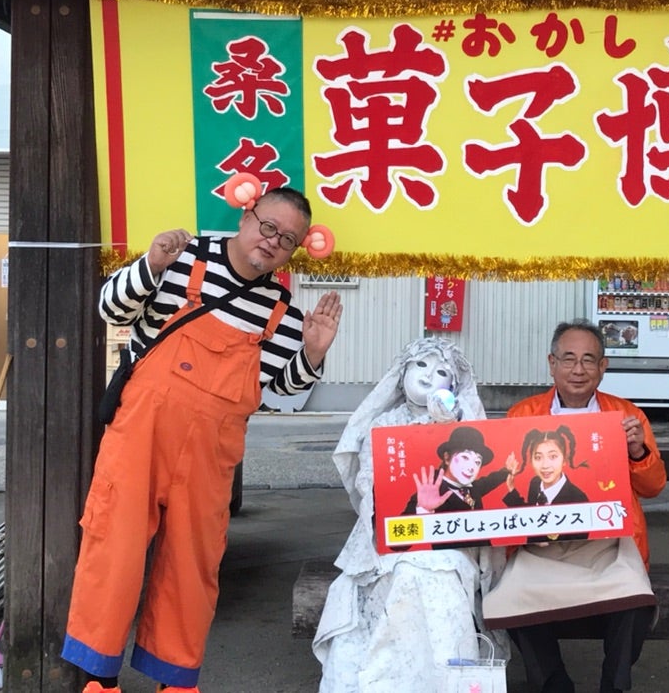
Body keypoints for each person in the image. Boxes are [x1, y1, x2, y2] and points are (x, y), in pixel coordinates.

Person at [61, 187, 344, 693]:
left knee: (192, 565)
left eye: (288, 239)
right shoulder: (181, 258)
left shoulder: (282, 312)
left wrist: (313, 354)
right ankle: (98, 678)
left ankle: (175, 679)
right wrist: (151, 263)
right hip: (140, 435)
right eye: (269, 226)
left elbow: (281, 391)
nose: (273, 241)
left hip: (211, 456)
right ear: (246, 215)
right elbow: (110, 308)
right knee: (114, 548)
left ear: (296, 249)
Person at [312, 337, 509, 693]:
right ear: (401, 373)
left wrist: (449, 425)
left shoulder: (463, 427)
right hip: (384, 537)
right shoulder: (383, 424)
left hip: (451, 542)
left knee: (437, 579)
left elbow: (483, 490)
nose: (429, 375)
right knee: (388, 579)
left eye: (442, 371)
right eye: (420, 365)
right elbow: (368, 482)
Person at [482, 319, 666, 693]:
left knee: (636, 600)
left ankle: (614, 686)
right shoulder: (522, 416)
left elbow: (654, 487)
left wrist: (637, 451)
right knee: (507, 599)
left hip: (608, 546)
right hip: (539, 548)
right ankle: (554, 684)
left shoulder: (626, 416)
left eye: (588, 359)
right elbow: (504, 496)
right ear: (552, 364)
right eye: (568, 359)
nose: (578, 369)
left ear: (603, 366)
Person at [402, 425, 510, 514]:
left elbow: (489, 481)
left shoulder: (472, 488)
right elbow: (401, 529)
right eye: (465, 458)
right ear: (447, 458)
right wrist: (424, 510)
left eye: (477, 462)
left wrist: (507, 470)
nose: (471, 468)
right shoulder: (429, 492)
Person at [502, 424, 590, 507]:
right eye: (538, 457)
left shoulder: (578, 498)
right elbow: (531, 514)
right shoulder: (535, 483)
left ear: (564, 460)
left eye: (553, 457)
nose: (545, 465)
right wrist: (511, 487)